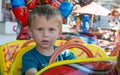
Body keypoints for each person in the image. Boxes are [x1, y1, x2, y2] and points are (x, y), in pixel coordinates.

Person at [21, 4, 76, 75]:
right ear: (31, 32)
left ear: (59, 32)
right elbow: (31, 72)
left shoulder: (66, 55)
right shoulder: (29, 57)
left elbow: (77, 70)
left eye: (51, 29)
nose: (45, 34)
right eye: (40, 29)